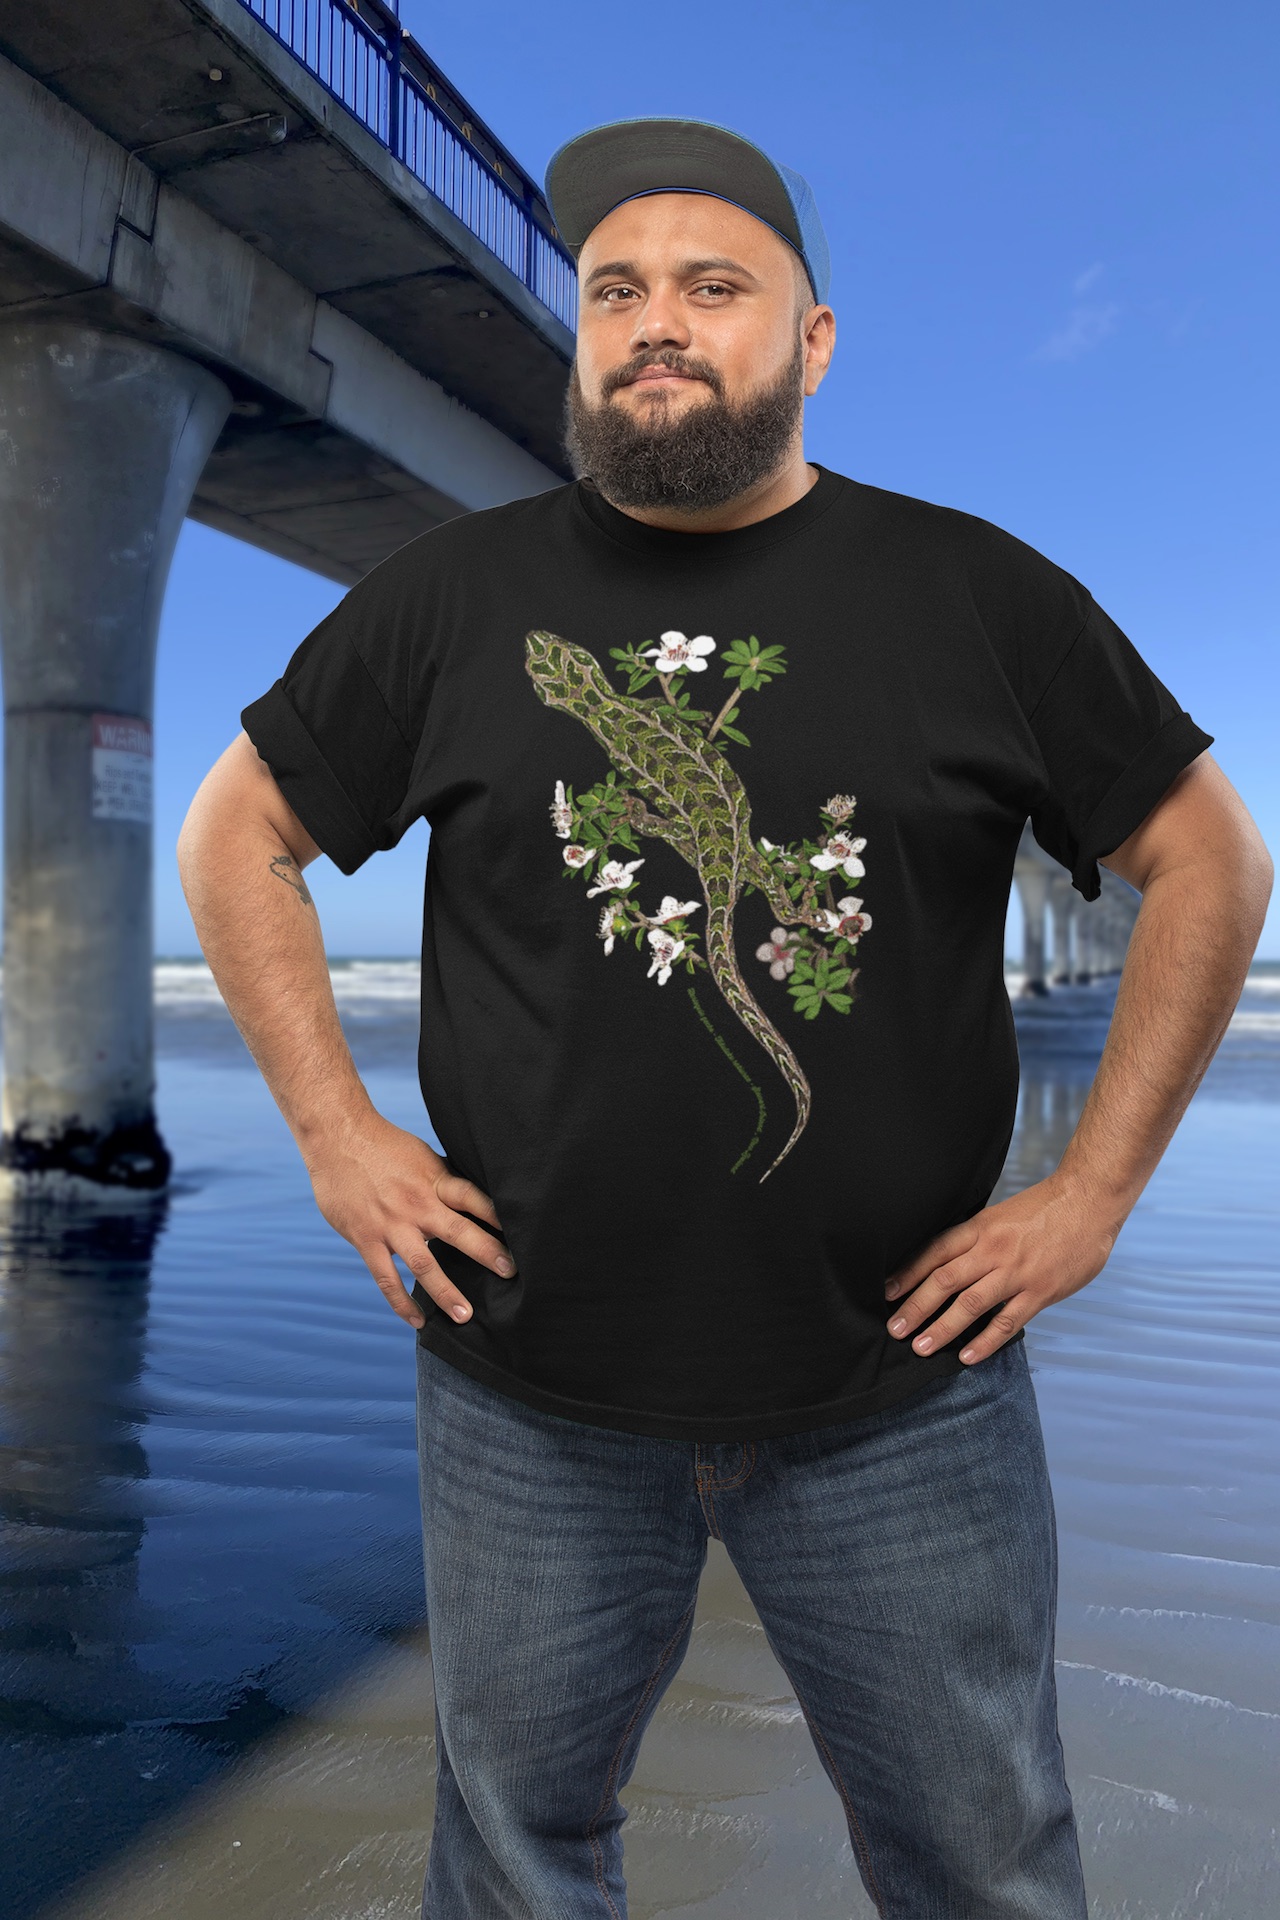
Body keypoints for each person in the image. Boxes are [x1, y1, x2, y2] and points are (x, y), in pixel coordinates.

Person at [178, 117, 1272, 1920]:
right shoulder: (455, 602)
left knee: (986, 1867)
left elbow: (1210, 864)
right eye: (616, 291)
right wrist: (334, 1136)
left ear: (813, 341)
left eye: (712, 286)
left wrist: (1089, 1202)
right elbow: (238, 838)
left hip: (903, 1393)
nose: (656, 322)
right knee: (520, 1857)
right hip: (526, 1387)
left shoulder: (974, 592)